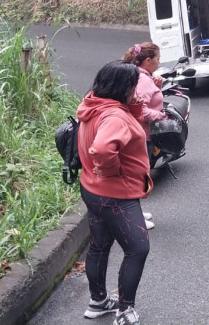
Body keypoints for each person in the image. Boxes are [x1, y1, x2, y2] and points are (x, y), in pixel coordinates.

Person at [77, 61, 152, 325]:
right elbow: (103, 149)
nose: (137, 88)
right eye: (133, 85)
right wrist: (111, 171)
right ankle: (125, 310)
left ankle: (98, 302)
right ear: (123, 87)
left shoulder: (96, 104)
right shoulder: (115, 117)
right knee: (138, 249)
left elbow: (129, 126)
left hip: (92, 189)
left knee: (99, 246)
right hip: (116, 195)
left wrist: (134, 104)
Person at [123, 42, 166, 230]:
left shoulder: (141, 76)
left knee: (139, 177)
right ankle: (133, 218)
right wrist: (161, 116)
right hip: (140, 136)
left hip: (140, 134)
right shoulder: (142, 80)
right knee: (138, 178)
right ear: (147, 61)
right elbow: (140, 109)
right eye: (157, 59)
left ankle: (136, 212)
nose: (159, 62)